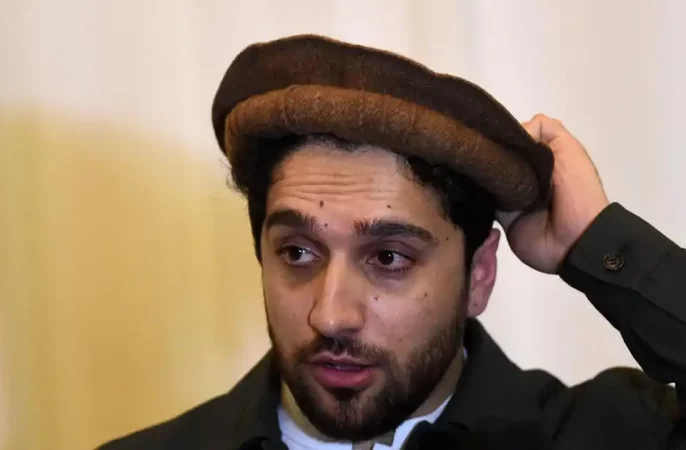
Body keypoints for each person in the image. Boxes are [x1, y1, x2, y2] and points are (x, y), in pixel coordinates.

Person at [99, 35, 686, 450]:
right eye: (297, 252)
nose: (331, 316)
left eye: (388, 258)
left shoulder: (622, 434)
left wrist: (599, 243)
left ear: (479, 275)